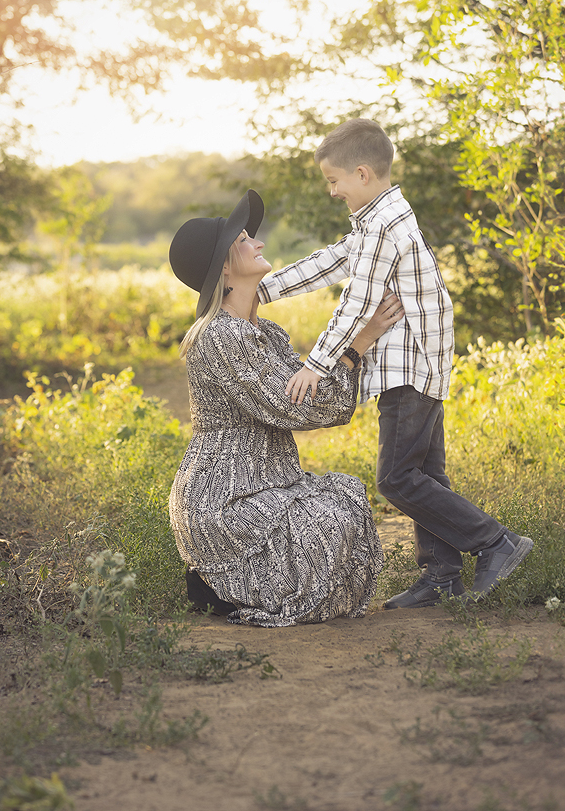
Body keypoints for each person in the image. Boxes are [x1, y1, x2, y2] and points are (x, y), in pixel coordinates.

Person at [257, 118, 533, 607]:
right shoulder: (378, 220)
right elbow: (328, 263)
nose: (332, 191)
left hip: (411, 367)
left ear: (362, 174)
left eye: (333, 181)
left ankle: (496, 542)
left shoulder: (384, 225)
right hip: (416, 364)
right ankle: (442, 575)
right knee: (426, 474)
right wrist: (262, 290)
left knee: (396, 478)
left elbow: (359, 301)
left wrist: (316, 365)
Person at [167, 188, 404, 626]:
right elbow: (302, 408)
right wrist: (358, 345)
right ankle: (222, 584)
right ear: (223, 266)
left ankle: (228, 586)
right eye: (244, 240)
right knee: (327, 528)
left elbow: (310, 389)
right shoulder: (221, 336)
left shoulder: (267, 332)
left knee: (347, 504)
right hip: (225, 497)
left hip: (271, 482)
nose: (258, 242)